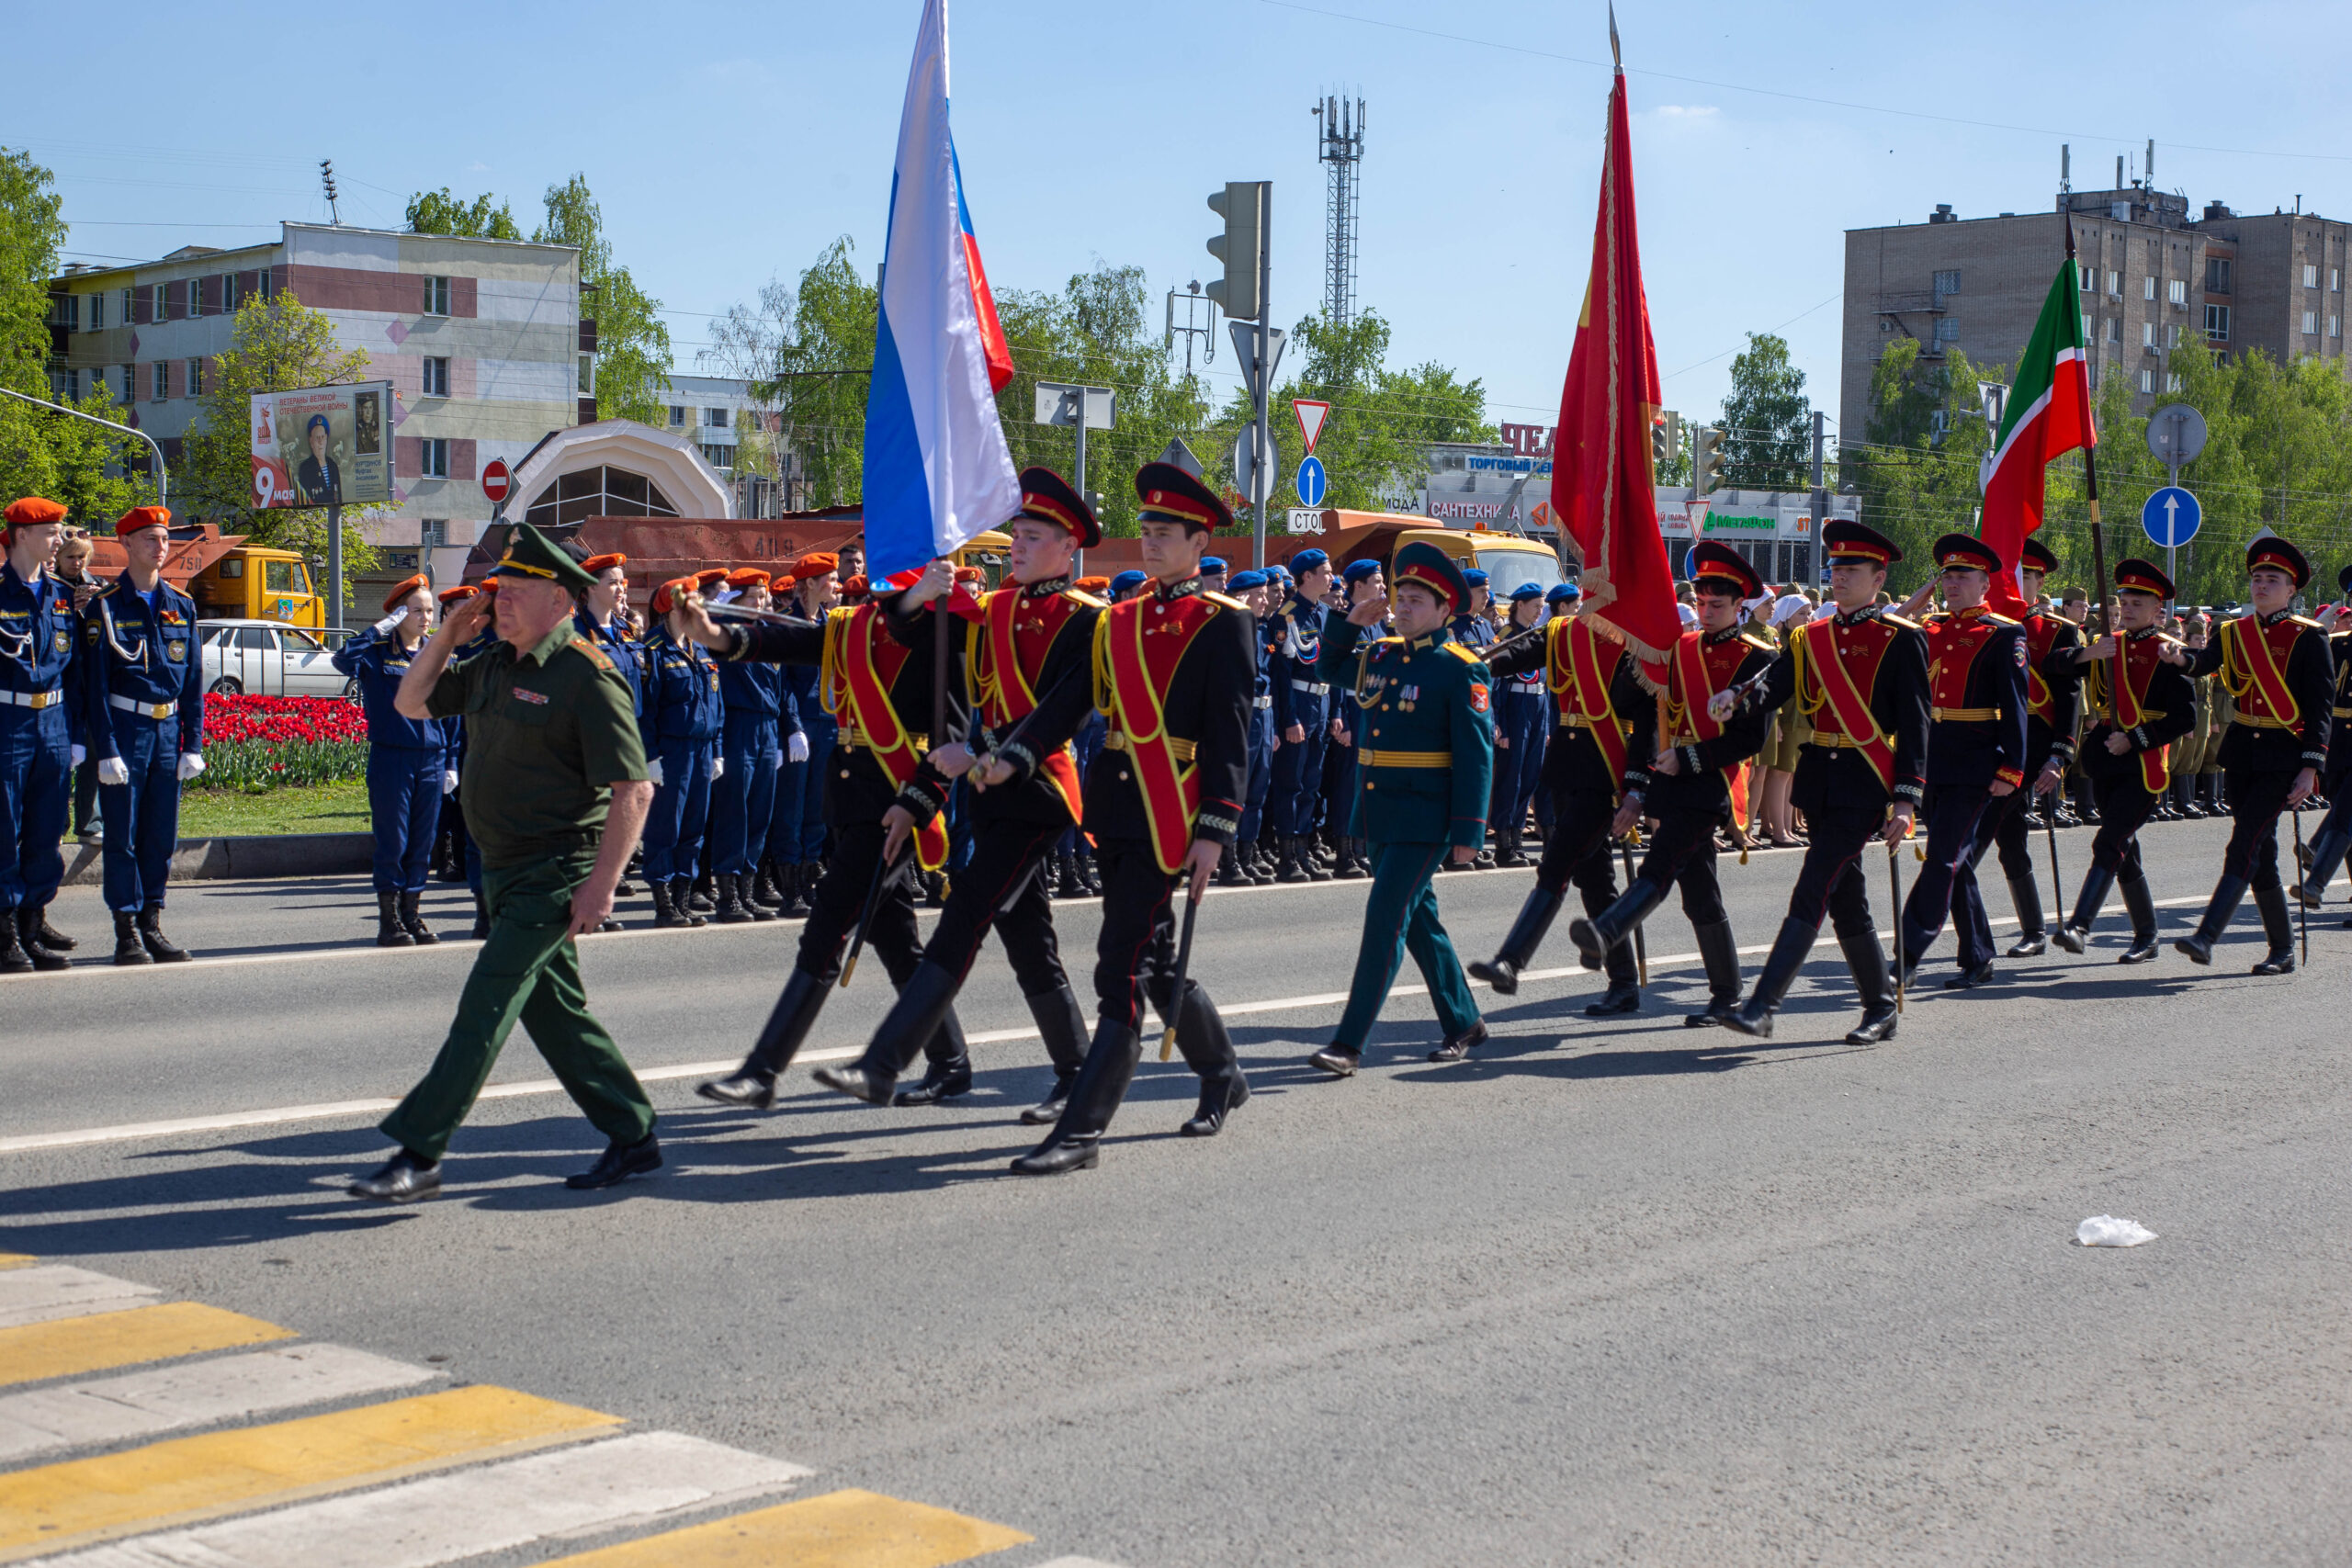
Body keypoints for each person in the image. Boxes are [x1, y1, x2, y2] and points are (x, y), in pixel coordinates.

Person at [348, 524, 661, 1202]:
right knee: (557, 1014)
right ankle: (634, 1134)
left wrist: (602, 888)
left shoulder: (588, 676)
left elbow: (634, 789)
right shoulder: (494, 663)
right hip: (502, 868)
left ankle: (421, 1150)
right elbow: (409, 701)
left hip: (554, 871)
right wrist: (447, 635)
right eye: (500, 590)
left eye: (517, 591)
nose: (502, 602)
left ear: (560, 600)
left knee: (485, 1002)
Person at [807, 468, 1106, 1122]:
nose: (1017, 547)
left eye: (1032, 537)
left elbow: (1060, 712)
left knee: (966, 910)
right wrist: (924, 593)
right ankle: (1077, 1071)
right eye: (1016, 535)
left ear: (1067, 546)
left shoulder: (1087, 620)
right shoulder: (994, 608)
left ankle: (885, 1058)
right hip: (988, 793)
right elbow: (915, 634)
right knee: (1029, 938)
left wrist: (985, 754)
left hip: (1040, 790)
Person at [999, 461, 1254, 1174]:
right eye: (1145, 529)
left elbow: (1232, 736)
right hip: (1116, 807)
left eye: (1164, 532)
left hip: (1169, 813)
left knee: (1122, 967)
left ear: (1201, 540)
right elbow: (1067, 702)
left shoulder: (1222, 624)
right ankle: (1223, 1074)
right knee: (1156, 963)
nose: (1149, 541)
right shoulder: (1120, 618)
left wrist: (1216, 829)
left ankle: (1080, 1132)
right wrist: (1012, 755)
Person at [680, 552, 973, 1112]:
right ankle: (951, 1062)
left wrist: (918, 802)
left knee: (826, 930)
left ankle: (763, 1070)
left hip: (897, 800)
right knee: (895, 940)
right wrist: (714, 635)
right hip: (851, 795)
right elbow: (785, 645)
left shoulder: (945, 629)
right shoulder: (853, 627)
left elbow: (952, 732)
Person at [1719, 522, 1928, 1042]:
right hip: (1819, 779)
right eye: (1835, 567)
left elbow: (1917, 721)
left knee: (1813, 885)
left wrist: (1907, 798)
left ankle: (1764, 1003)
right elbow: (1778, 684)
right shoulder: (1809, 637)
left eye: (1851, 569)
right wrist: (1739, 697)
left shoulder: (1901, 640)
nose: (1839, 576)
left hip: (1865, 781)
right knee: (1845, 896)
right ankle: (1881, 1006)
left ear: (1879, 579)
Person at [1567, 542, 1777, 1026]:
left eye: (1717, 604)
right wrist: (1637, 657)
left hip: (1712, 780)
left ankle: (1607, 929)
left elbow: (1750, 738)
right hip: (1672, 777)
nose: (1706, 612)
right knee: (1699, 891)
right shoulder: (1677, 649)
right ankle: (1727, 994)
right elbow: (1629, 708)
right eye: (1700, 602)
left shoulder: (1756, 657)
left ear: (1739, 605)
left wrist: (1690, 758)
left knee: (1661, 863)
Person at [1306, 541, 1495, 1072]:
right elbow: (1328, 669)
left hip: (1426, 817)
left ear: (1443, 609)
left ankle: (1348, 1043)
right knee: (1418, 922)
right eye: (1400, 597)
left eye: (1416, 599)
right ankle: (1464, 1021)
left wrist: (1469, 832)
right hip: (1379, 810)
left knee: (1385, 918)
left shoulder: (1461, 668)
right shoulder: (1381, 654)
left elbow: (1475, 757)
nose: (1404, 607)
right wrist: (1349, 620)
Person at [1469, 578, 1653, 1016]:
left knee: (1557, 863)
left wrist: (1635, 788)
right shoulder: (1563, 633)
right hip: (1566, 766)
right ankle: (1624, 983)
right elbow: (1517, 655)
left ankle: (1511, 961)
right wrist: (1477, 663)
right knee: (1595, 878)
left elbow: (1647, 721)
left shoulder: (1634, 646)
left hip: (1603, 771)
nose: (1587, 600)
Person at [2167, 536, 2332, 971]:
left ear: (2291, 589)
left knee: (2244, 844)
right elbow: (2204, 664)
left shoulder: (2308, 637)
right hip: (2242, 753)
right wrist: (2179, 657)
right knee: (2261, 854)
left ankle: (2206, 936)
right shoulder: (2232, 632)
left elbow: (2319, 708)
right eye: (2257, 578)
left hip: (2284, 757)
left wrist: (2310, 768)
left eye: (2271, 580)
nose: (2261, 586)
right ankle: (2282, 949)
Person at [1891, 535, 2030, 991]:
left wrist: (2013, 767)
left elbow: (2015, 707)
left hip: (1975, 761)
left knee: (1943, 857)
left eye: (1962, 575)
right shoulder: (1928, 631)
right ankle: (1978, 954)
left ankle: (1906, 954)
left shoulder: (2003, 632)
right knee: (1956, 863)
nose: (1952, 582)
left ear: (1983, 583)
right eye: (1946, 575)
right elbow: (1887, 630)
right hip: (1931, 759)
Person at [2049, 558, 2195, 962]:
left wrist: (2134, 739)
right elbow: (2054, 666)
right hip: (2107, 760)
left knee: (2109, 841)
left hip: (2143, 763)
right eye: (2125, 601)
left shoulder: (2169, 652)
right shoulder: (2107, 644)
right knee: (2124, 851)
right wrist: (2087, 653)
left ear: (2157, 611)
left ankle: (2080, 925)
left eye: (2138, 602)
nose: (2128, 608)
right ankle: (2148, 936)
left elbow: (2185, 719)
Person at [84, 505, 204, 965]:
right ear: (128, 544)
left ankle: (153, 921)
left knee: (160, 835)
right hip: (127, 729)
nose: (161, 547)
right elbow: (94, 685)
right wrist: (107, 748)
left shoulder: (182, 605)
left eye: (164, 539)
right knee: (123, 836)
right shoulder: (106, 605)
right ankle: (126, 930)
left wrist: (192, 742)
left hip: (166, 728)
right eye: (151, 539)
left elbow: (193, 680)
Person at [1965, 539, 2083, 957]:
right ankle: (2033, 930)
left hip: (2033, 749)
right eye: (2012, 576)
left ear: (2039, 582)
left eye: (2026, 577)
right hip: (1993, 741)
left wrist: (2059, 756)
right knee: (2010, 840)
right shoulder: (1989, 628)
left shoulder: (2056, 630)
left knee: (1973, 841)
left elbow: (2069, 700)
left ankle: (1965, 935)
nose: (2016, 584)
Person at [334, 574, 452, 946]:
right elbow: (342, 661)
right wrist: (375, 630)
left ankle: (412, 915)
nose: (426, 617)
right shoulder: (379, 652)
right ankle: (389, 921)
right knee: (393, 840)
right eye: (416, 610)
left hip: (431, 758)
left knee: (422, 841)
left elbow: (451, 710)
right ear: (398, 613)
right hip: (393, 758)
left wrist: (450, 759)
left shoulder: (437, 652)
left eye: (429, 610)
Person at [0, 498, 83, 973]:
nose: (60, 539)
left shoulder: (58, 595)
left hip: (51, 724)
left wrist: (73, 735)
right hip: (7, 722)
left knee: (47, 827)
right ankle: (6, 930)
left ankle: (33, 923)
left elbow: (71, 673)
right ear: (22, 535)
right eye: (52, 532)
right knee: (4, 828)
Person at [639, 576, 723, 928]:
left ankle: (683, 899)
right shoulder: (653, 650)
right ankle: (663, 904)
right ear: (671, 607)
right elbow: (645, 709)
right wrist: (651, 756)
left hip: (702, 749)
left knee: (693, 827)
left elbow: (717, 703)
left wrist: (717, 749)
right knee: (665, 828)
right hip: (670, 752)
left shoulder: (701, 648)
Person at [707, 567, 785, 925]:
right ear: (737, 600)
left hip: (767, 727)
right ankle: (727, 897)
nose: (761, 602)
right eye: (754, 597)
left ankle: (747, 891)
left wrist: (790, 730)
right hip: (739, 724)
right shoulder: (726, 633)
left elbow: (782, 689)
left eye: (763, 597)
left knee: (759, 815)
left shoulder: (768, 633)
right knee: (733, 814)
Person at [770, 553, 836, 919]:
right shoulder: (788, 625)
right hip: (800, 729)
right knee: (791, 809)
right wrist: (794, 727)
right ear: (809, 584)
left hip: (827, 723)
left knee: (817, 809)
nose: (836, 584)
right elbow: (783, 684)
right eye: (829, 578)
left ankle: (810, 882)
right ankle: (790, 889)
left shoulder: (829, 623)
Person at [1267, 547, 1334, 884]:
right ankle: (1287, 855)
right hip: (1298, 706)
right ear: (1307, 576)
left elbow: (1331, 668)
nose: (1332, 577)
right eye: (1326, 571)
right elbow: (1281, 674)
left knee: (1312, 781)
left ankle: (1304, 849)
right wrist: (1289, 718)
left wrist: (1334, 712)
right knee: (1290, 783)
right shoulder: (1287, 616)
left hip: (1320, 707)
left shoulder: (1322, 613)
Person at [2290, 563, 2352, 913]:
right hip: (2341, 745)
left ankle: (2316, 881)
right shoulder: (2338, 645)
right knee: (2347, 820)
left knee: (2346, 814)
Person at [1487, 582, 1549, 866]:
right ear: (1520, 605)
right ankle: (1503, 842)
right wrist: (1498, 721)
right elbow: (1496, 682)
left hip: (1537, 706)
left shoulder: (1536, 636)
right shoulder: (1506, 636)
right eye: (1535, 605)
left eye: (1541, 606)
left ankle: (1517, 838)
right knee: (1510, 776)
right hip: (1513, 706)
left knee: (1530, 775)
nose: (1539, 611)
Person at [1224, 567, 1276, 886]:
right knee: (1237, 792)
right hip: (1244, 717)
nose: (1265, 600)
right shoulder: (1234, 629)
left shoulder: (1263, 629)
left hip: (1264, 716)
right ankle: (1228, 859)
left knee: (1258, 790)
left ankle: (1247, 853)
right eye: (1259, 595)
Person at [51, 528, 103, 850]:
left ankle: (89, 823)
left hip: (89, 680)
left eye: (82, 556)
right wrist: (69, 607)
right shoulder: (49, 586)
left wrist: (92, 604)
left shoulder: (97, 586)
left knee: (93, 753)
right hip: (58, 680)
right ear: (57, 557)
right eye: (70, 556)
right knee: (57, 756)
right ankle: (56, 822)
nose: (76, 562)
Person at [296, 413, 342, 506]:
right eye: (317, 438)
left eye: (323, 437)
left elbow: (338, 497)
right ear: (311, 441)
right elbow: (305, 499)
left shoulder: (333, 466)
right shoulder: (305, 468)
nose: (320, 442)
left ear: (326, 439)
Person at [1450, 569, 1497, 649]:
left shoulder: (1486, 625)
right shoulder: (1450, 626)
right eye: (1482, 591)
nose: (1487, 596)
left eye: (1487, 591)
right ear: (1465, 592)